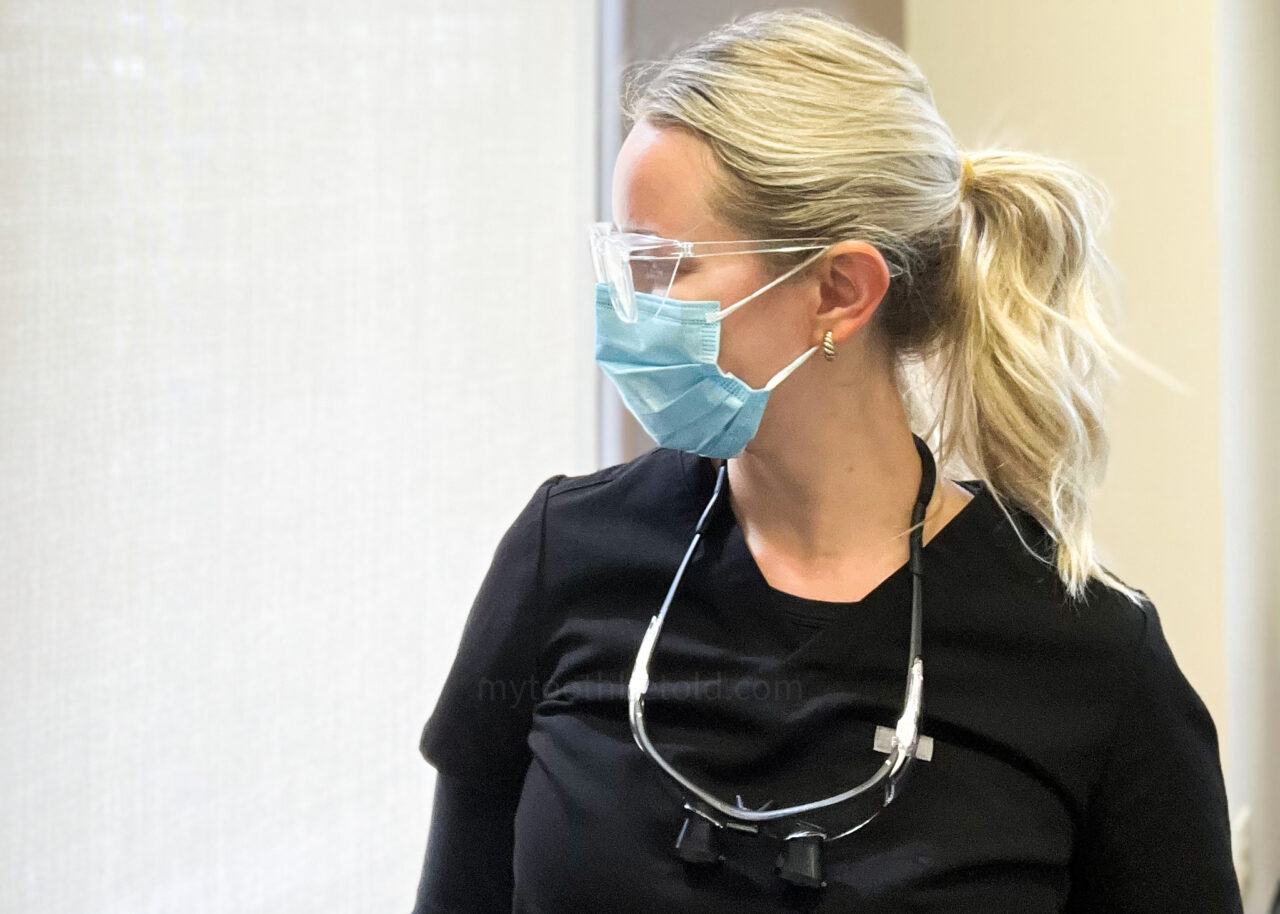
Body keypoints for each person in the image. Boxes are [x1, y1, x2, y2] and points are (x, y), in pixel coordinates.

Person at [410, 9, 1242, 913]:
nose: (624, 310)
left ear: (839, 292)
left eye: (664, 266)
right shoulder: (565, 553)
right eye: (622, 262)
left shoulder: (1086, 657)